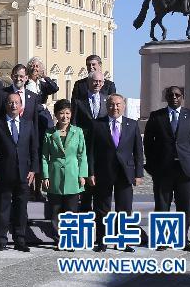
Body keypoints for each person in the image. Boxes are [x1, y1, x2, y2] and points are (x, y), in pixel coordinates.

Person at [144, 86, 190, 253]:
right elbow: (148, 143)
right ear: (166, 97)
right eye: (170, 95)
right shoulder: (157, 116)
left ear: (182, 97)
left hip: (185, 171)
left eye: (177, 95)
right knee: (162, 206)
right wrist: (153, 164)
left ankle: (182, 239)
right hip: (163, 170)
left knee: (184, 207)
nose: (174, 97)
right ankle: (163, 240)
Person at [90, 94, 143, 253]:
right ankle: (102, 241)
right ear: (107, 106)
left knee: (124, 209)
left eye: (118, 104)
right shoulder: (97, 124)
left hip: (125, 173)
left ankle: (123, 241)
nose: (115, 107)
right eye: (112, 105)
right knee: (101, 209)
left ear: (124, 106)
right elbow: (91, 152)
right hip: (103, 172)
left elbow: (138, 152)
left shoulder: (132, 125)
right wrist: (91, 173)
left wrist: (138, 173)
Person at [0, 92, 37, 252]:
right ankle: (1, 239)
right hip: (3, 172)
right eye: (10, 102)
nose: (13, 105)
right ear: (6, 105)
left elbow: (34, 149)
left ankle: (20, 239)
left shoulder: (28, 124)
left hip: (24, 173)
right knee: (2, 207)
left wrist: (33, 170)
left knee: (21, 208)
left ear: (21, 105)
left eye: (16, 102)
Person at [0, 64, 44, 202]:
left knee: (23, 191)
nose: (18, 78)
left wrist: (35, 144)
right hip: (6, 144)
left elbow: (35, 121)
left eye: (21, 76)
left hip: (25, 145)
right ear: (12, 76)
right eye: (16, 76)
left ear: (26, 78)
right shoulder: (2, 94)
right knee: (5, 194)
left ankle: (22, 219)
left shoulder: (33, 96)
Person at [40, 99, 87, 249]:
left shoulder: (78, 131)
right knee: (55, 211)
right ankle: (58, 238)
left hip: (73, 174)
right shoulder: (49, 133)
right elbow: (44, 157)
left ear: (71, 114)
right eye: (61, 113)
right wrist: (45, 176)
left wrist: (82, 175)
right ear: (56, 115)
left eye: (67, 113)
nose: (64, 116)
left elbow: (82, 155)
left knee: (71, 211)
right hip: (54, 176)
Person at [70, 70, 106, 212]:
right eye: (94, 81)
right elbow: (74, 124)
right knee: (85, 182)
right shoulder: (79, 102)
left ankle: (99, 215)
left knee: (100, 184)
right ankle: (85, 212)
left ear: (103, 83)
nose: (97, 84)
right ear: (88, 83)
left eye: (99, 81)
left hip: (102, 147)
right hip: (84, 145)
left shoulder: (106, 99)